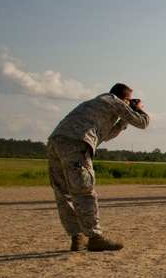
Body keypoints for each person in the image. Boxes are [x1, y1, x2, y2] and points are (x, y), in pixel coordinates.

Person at [46, 83, 149, 252]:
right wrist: (139, 109)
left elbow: (106, 135)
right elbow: (143, 123)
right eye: (129, 101)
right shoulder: (114, 101)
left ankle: (77, 237)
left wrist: (124, 120)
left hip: (56, 142)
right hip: (76, 143)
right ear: (125, 99)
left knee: (62, 191)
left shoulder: (98, 103)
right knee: (84, 190)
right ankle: (94, 237)